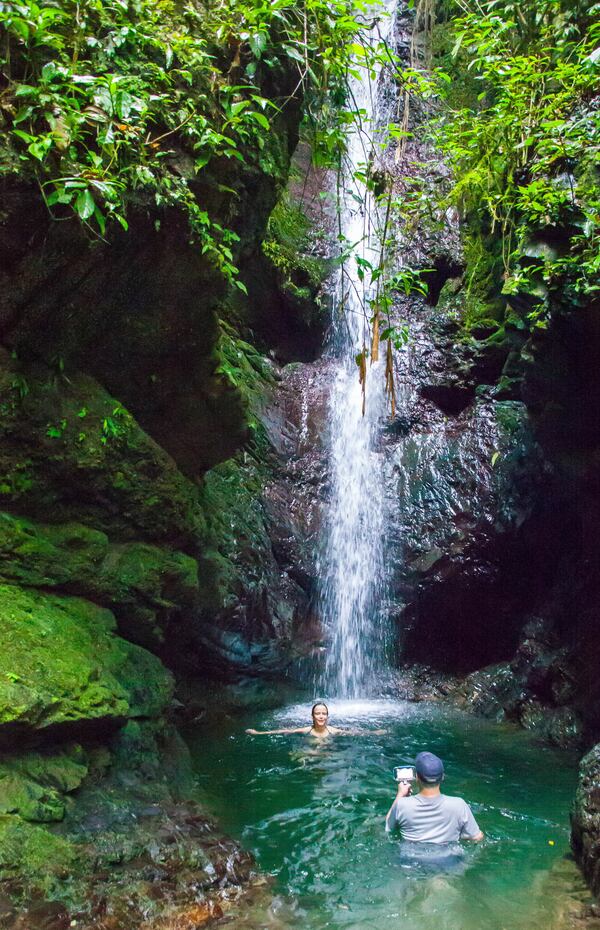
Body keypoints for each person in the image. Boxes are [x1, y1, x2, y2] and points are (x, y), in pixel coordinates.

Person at [385, 751, 483, 843]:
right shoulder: (459, 804)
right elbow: (477, 837)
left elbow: (389, 827)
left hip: (410, 860)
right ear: (443, 777)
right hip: (449, 860)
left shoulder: (402, 805)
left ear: (417, 777)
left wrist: (400, 795)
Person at [245, 702, 386, 740]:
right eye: (317, 713)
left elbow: (354, 733)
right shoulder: (307, 730)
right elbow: (284, 731)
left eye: (323, 714)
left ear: (327, 716)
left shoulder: (333, 730)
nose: (320, 716)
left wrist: (374, 732)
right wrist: (258, 733)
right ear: (312, 716)